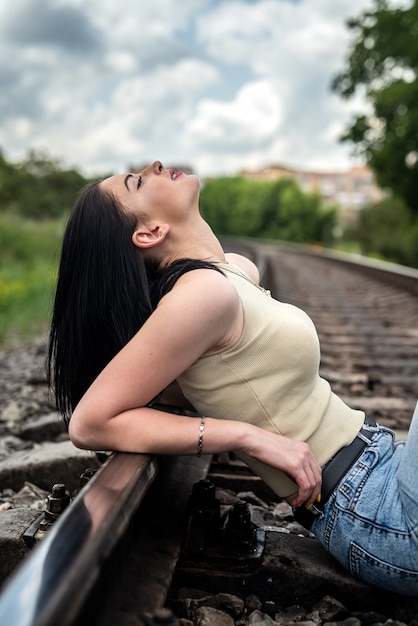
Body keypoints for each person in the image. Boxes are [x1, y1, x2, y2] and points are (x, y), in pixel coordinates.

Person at [48, 160, 418, 596]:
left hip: (385, 467)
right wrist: (246, 436)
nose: (155, 165)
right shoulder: (201, 297)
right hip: (383, 520)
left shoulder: (225, 276)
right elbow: (90, 423)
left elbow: (230, 265)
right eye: (138, 181)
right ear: (148, 233)